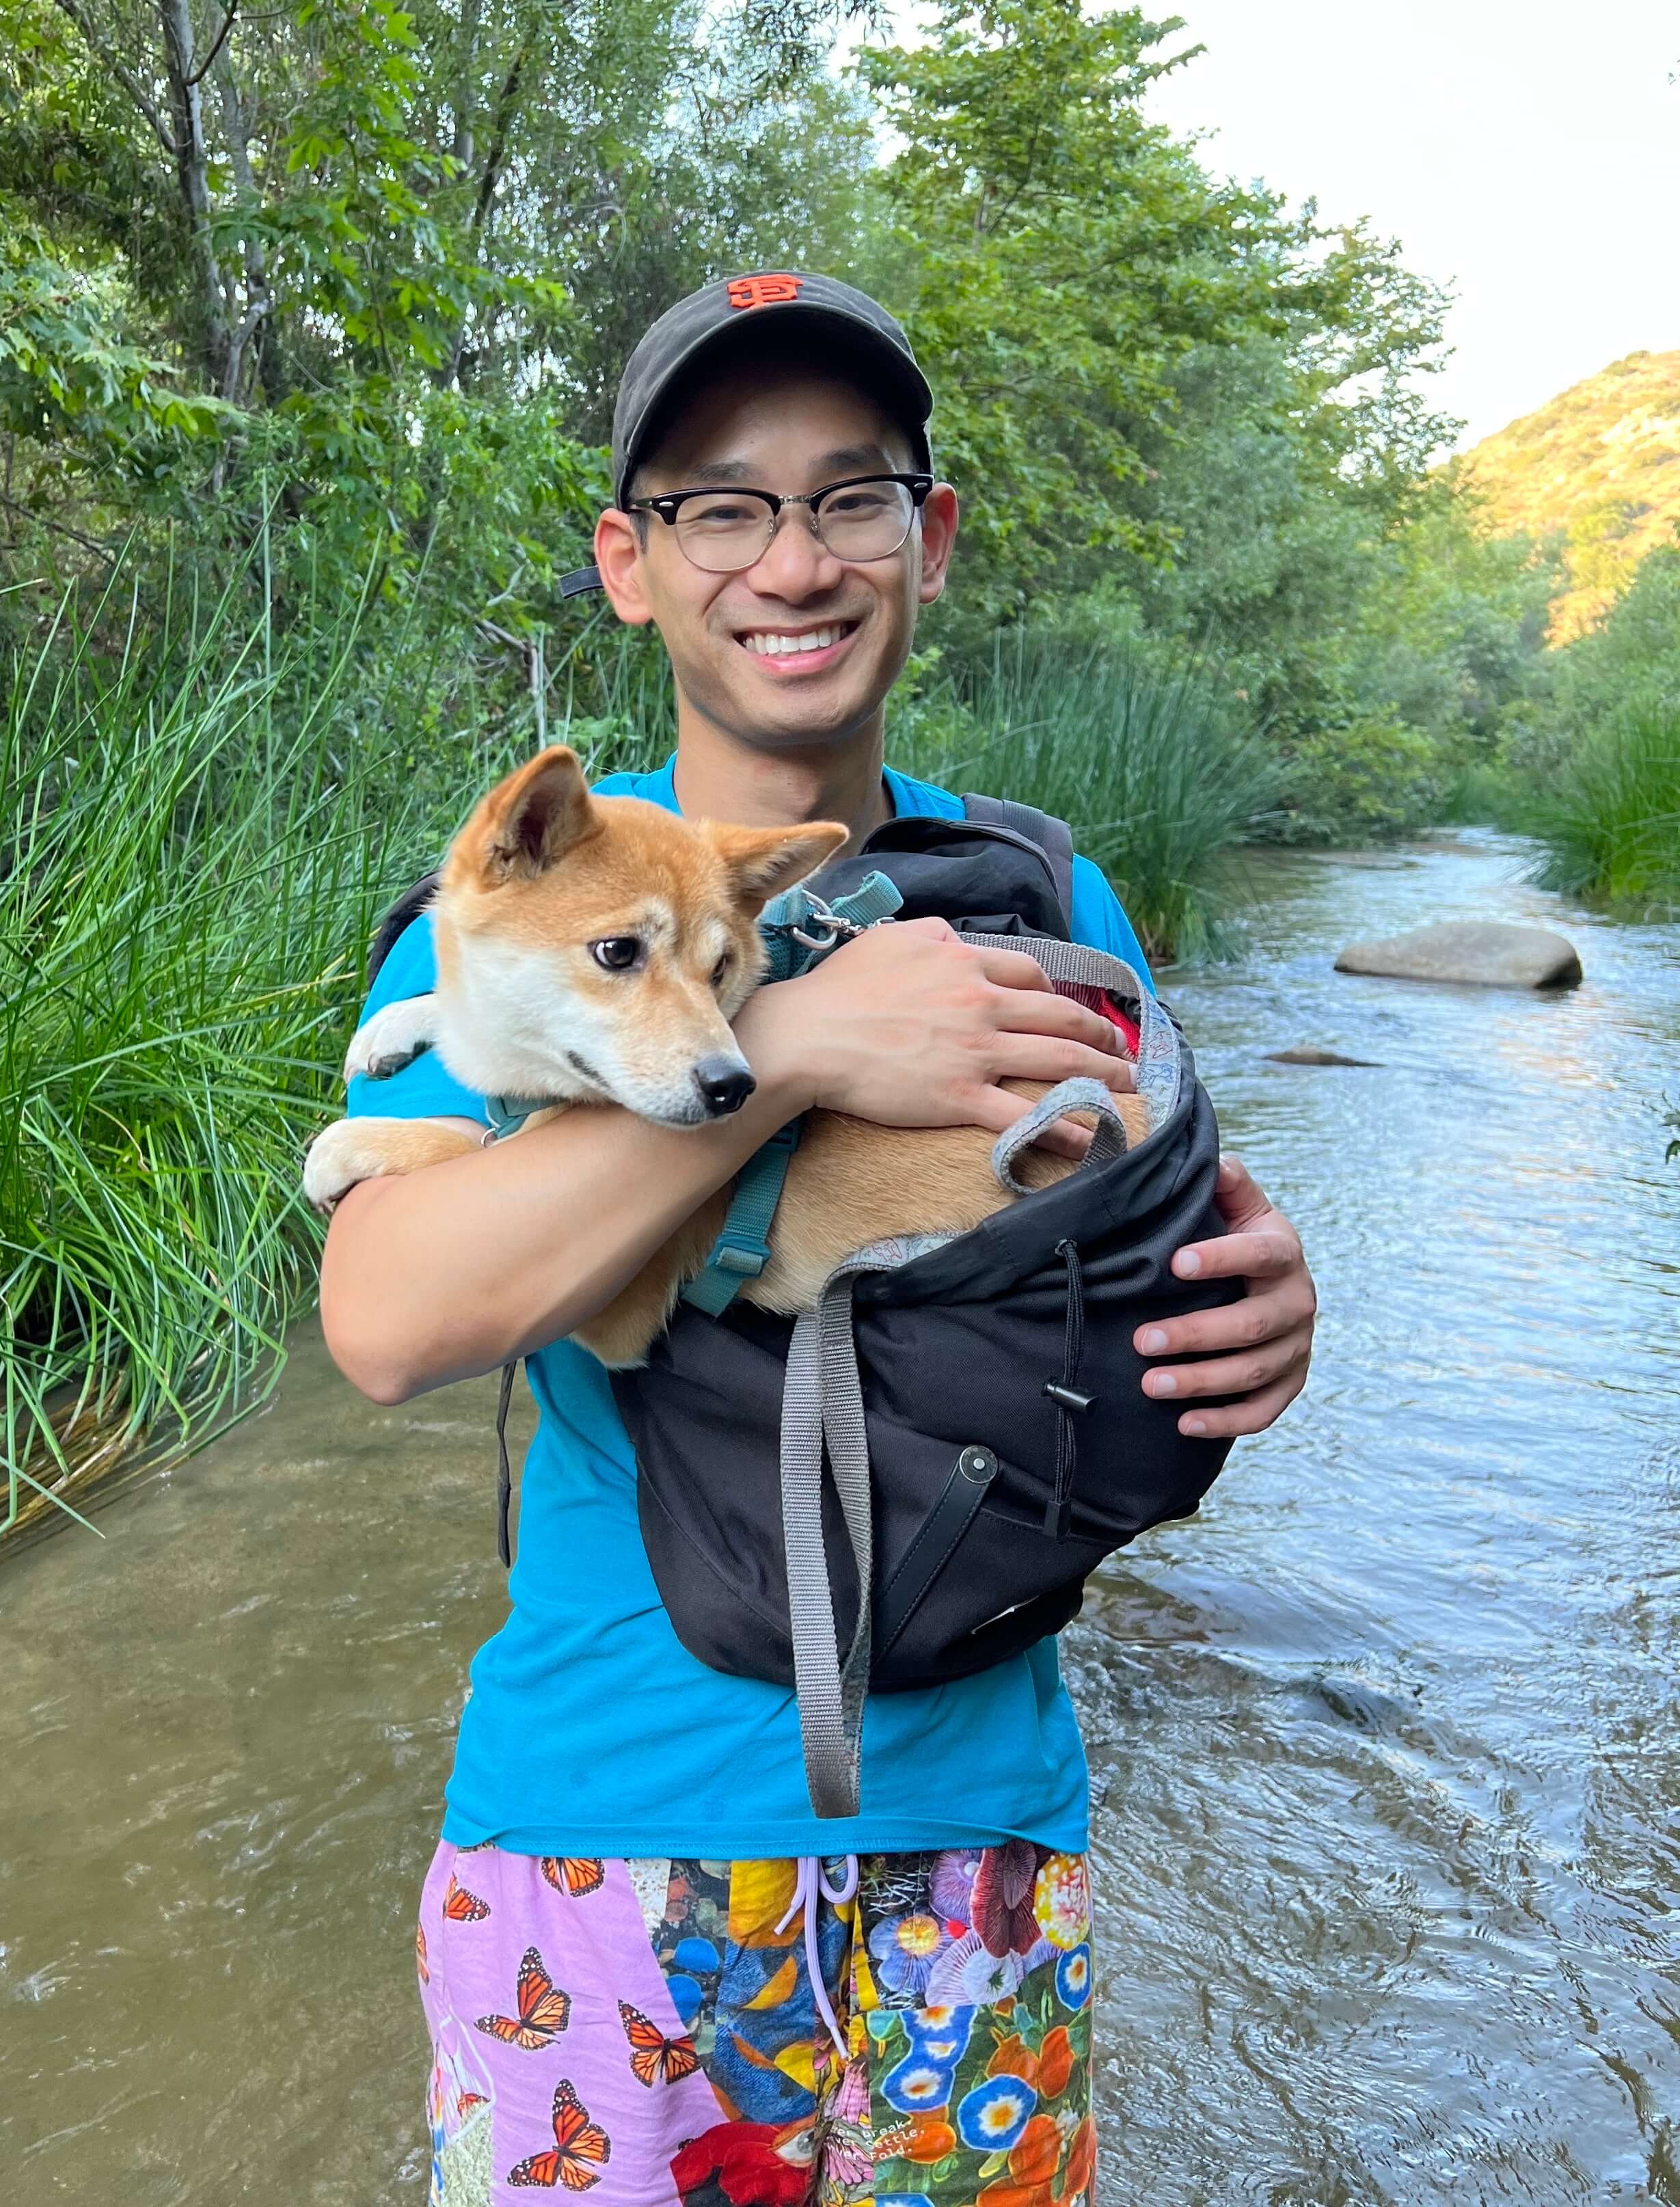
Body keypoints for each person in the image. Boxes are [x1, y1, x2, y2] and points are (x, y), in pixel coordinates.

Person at [319, 273, 1316, 2205]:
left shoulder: (1042, 886)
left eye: (850, 498)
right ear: (630, 562)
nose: (792, 561)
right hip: (590, 1828)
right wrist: (780, 1055)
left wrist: (1264, 1315)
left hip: (976, 1828)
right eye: (719, 505)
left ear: (925, 543)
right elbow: (386, 1318)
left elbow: (1112, 1245)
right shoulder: (532, 918)